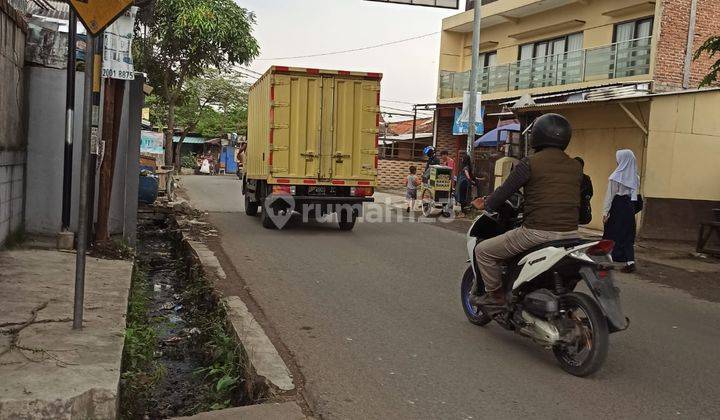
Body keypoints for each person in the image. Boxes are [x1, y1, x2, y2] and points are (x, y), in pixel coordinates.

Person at [470, 113, 582, 313]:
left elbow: (503, 193)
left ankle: (496, 296)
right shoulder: (575, 166)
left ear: (536, 136)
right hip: (572, 235)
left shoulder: (529, 163)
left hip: (538, 232)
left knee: (483, 251)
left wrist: (485, 204)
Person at [602, 149, 640, 273]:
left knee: (611, 233)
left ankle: (608, 261)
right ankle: (630, 262)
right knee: (627, 234)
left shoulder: (616, 177)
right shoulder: (635, 177)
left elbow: (610, 196)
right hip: (629, 206)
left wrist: (605, 212)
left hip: (617, 206)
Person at [575, 157, 594, 225]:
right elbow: (590, 193)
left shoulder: (586, 179)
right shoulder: (586, 178)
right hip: (576, 207)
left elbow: (590, 192)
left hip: (579, 206)